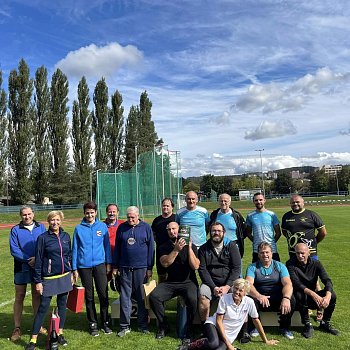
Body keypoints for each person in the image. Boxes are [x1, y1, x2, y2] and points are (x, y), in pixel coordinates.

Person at [179, 279, 278, 350]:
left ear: (246, 293)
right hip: (214, 325)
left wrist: (266, 340)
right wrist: (229, 345)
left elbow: (256, 321)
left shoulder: (249, 302)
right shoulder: (225, 298)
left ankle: (203, 339)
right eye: (236, 288)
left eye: (240, 290)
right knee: (213, 344)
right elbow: (218, 321)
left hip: (229, 334)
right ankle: (190, 345)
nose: (237, 292)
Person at [25, 211, 72, 350]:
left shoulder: (66, 236)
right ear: (48, 221)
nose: (55, 222)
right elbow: (38, 260)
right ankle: (33, 340)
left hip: (64, 277)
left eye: (57, 220)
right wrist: (38, 281)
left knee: (62, 306)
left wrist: (71, 272)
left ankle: (59, 333)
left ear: (61, 221)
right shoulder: (43, 238)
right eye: (52, 220)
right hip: (49, 279)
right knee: (43, 308)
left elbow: (68, 255)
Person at [149, 221, 200, 341]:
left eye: (174, 229)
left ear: (180, 229)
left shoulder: (191, 245)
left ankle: (190, 327)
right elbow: (165, 263)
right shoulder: (163, 247)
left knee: (193, 299)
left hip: (188, 282)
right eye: (169, 230)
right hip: (170, 282)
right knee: (155, 297)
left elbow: (195, 266)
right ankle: (163, 325)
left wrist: (189, 249)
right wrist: (176, 250)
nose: (172, 231)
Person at [72, 201, 112, 337]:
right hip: (84, 266)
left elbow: (107, 246)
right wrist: (74, 268)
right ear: (84, 213)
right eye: (87, 213)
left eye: (92, 212)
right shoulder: (78, 228)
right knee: (89, 296)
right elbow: (75, 249)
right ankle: (93, 324)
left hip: (100, 264)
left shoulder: (102, 226)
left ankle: (105, 322)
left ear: (96, 213)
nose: (90, 215)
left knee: (103, 294)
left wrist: (108, 263)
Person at [113, 206, 154, 337]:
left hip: (141, 268)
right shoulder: (122, 228)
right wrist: (115, 266)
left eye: (133, 217)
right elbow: (117, 249)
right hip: (124, 267)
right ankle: (124, 326)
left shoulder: (146, 227)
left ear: (138, 216)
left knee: (141, 297)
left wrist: (149, 268)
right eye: (128, 217)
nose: (130, 219)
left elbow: (151, 249)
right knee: (125, 297)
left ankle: (142, 325)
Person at [9, 206, 46, 342]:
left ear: (33, 214)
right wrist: (27, 259)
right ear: (21, 216)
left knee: (37, 294)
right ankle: (17, 328)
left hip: (38, 266)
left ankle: (38, 325)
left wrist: (37, 259)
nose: (27, 216)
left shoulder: (41, 227)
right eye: (24, 214)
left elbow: (45, 244)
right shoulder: (15, 230)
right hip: (21, 267)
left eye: (29, 214)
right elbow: (14, 249)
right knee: (19, 296)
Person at [286, 243, 339, 338]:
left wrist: (328, 295)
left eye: (302, 253)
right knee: (299, 294)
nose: (300, 256)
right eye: (297, 253)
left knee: (333, 295)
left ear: (309, 253)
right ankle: (307, 325)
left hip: (313, 298)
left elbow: (327, 280)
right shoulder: (290, 263)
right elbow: (297, 284)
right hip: (299, 300)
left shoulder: (316, 263)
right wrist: (314, 295)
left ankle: (325, 323)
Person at [245, 242, 295, 340]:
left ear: (272, 253)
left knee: (291, 300)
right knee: (249, 299)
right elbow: (248, 284)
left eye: (267, 252)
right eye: (262, 253)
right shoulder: (252, 267)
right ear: (258, 254)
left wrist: (286, 298)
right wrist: (259, 296)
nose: (265, 255)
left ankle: (284, 327)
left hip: (276, 298)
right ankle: (255, 326)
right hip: (260, 299)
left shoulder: (280, 266)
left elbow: (288, 284)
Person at [198, 222, 241, 324]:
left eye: (219, 231)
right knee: (203, 296)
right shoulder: (203, 249)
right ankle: (206, 326)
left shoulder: (232, 246)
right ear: (210, 232)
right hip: (210, 283)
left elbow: (236, 268)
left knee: (239, 294)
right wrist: (214, 287)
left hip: (229, 282)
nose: (216, 233)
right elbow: (202, 270)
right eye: (213, 231)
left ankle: (238, 327)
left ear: (224, 233)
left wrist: (227, 286)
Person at [281, 194, 327, 259]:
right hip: (293, 252)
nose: (295, 204)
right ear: (290, 204)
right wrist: (292, 239)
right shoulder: (286, 216)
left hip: (310, 252)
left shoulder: (312, 215)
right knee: (294, 269)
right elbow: (284, 231)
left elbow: (323, 232)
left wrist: (314, 242)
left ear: (303, 203)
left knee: (311, 269)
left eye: (297, 202)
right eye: (293, 202)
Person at [246, 192, 281, 262]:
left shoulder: (272, 214)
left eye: (260, 200)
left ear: (264, 200)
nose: (258, 202)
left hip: (272, 249)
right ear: (253, 201)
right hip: (257, 250)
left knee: (276, 271)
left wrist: (271, 243)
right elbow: (248, 233)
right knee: (257, 271)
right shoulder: (250, 216)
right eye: (256, 200)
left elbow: (278, 233)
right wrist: (256, 241)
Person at [209, 193, 246, 258]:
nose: (223, 203)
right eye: (221, 201)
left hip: (234, 246)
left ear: (230, 202)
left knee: (235, 267)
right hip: (217, 246)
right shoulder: (214, 215)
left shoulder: (237, 215)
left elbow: (243, 231)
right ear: (218, 202)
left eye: (225, 201)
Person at [151, 198, 176, 282]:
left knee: (176, 274)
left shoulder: (176, 219)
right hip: (161, 251)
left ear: (172, 207)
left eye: (167, 206)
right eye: (163, 206)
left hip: (174, 250)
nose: (165, 207)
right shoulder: (157, 220)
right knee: (162, 276)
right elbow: (152, 233)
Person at [104, 203, 124, 281]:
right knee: (103, 285)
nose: (112, 213)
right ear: (106, 213)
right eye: (110, 211)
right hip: (105, 261)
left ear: (117, 213)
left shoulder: (123, 224)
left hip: (120, 260)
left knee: (121, 284)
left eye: (114, 211)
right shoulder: (101, 226)